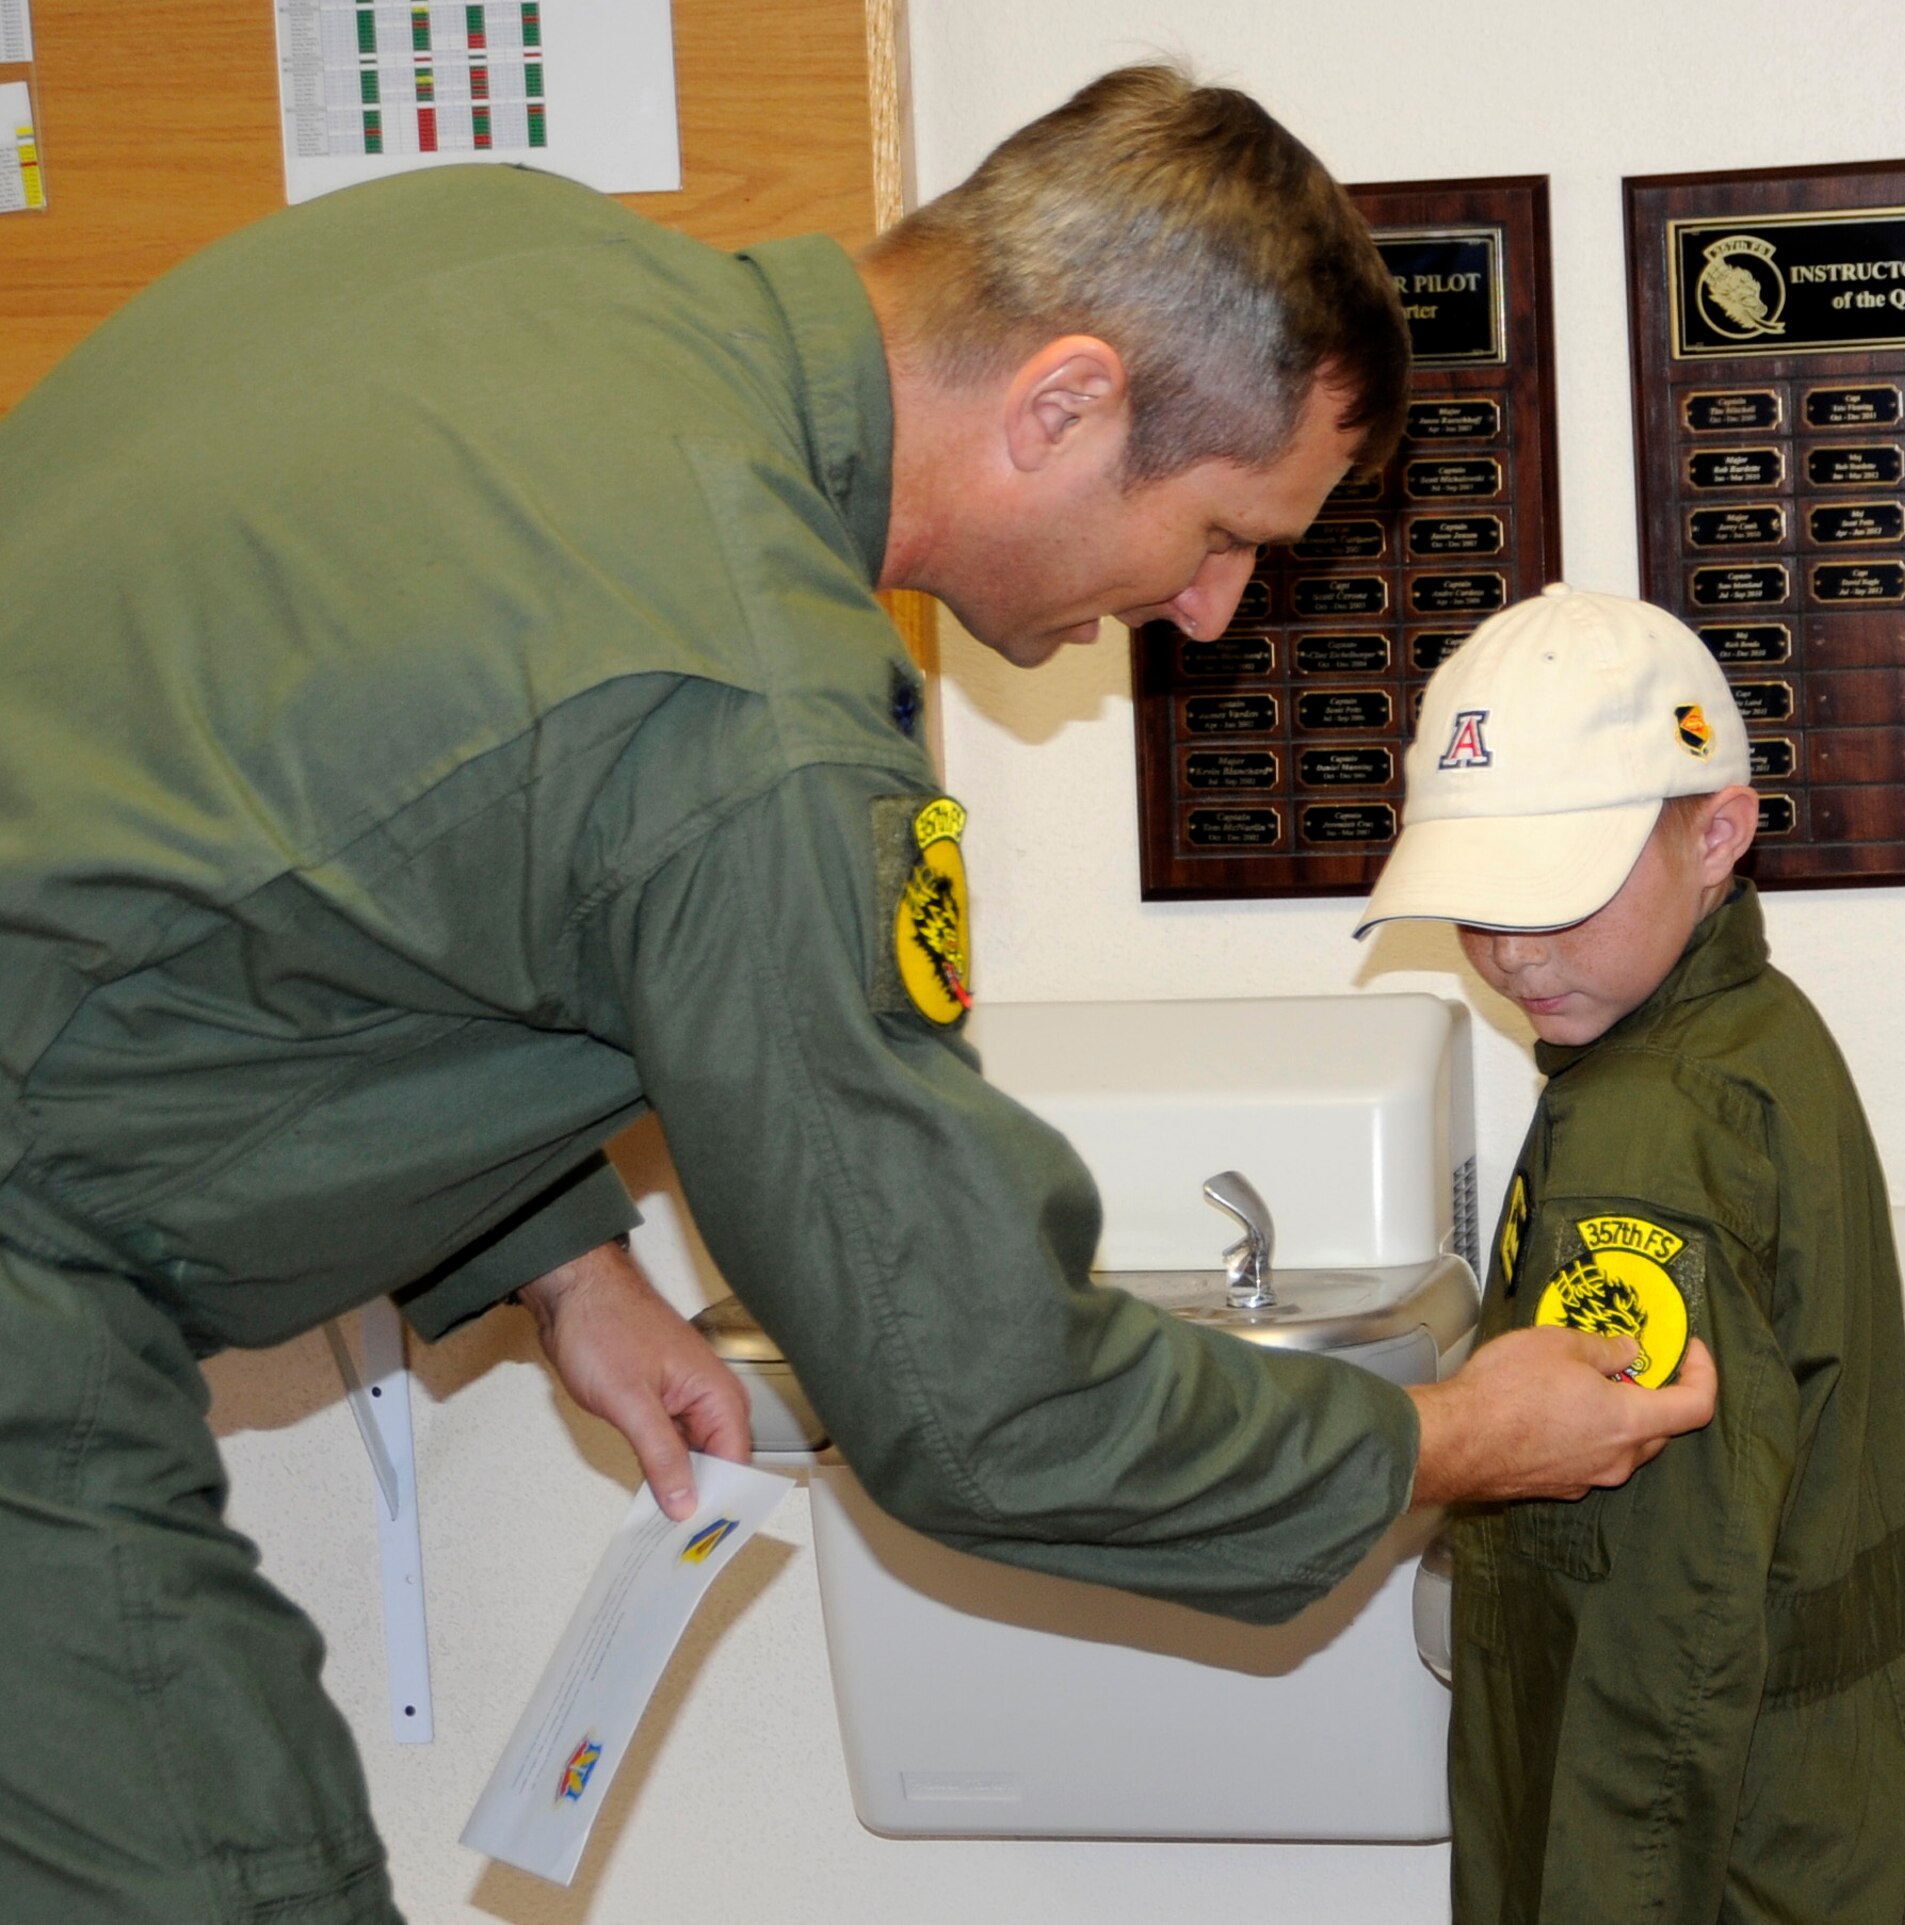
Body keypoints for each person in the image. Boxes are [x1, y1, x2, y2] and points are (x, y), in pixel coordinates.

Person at [0, 67, 1711, 1923]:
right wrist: (1458, 1438)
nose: (1215, 614)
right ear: (1063, 403)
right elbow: (981, 1398)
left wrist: (565, 1262)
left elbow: (345, 836)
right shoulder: (765, 721)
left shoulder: (503, 251)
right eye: (1225, 534)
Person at [1356, 584, 1905, 1924]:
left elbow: (1648, 1628)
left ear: (1716, 832)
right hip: (1796, 1812)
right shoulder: (1754, 1031)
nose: (1507, 948)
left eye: (1553, 894)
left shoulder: (1645, 1135)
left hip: (1674, 1848)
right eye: (1473, 904)